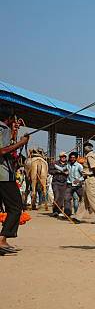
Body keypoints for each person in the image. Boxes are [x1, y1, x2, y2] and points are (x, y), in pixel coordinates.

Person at [0, 105, 29, 254]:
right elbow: (2, 150)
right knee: (16, 207)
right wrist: (22, 143)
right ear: (9, 118)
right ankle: (3, 239)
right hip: (4, 175)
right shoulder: (3, 128)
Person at [73, 142, 95, 224]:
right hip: (91, 179)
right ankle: (78, 217)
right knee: (84, 200)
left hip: (90, 179)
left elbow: (94, 168)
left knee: (93, 199)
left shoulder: (89, 156)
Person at [49, 151, 69, 217]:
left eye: (64, 157)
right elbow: (50, 171)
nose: (63, 158)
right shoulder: (55, 163)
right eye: (62, 156)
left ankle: (59, 211)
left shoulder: (68, 164)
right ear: (60, 157)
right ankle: (55, 210)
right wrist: (57, 171)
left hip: (64, 182)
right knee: (56, 196)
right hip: (56, 182)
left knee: (61, 197)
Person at [65, 151, 83, 215]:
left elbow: (84, 175)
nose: (72, 159)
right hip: (69, 185)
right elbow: (62, 169)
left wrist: (79, 179)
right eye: (71, 157)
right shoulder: (68, 165)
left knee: (78, 199)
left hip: (77, 185)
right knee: (67, 199)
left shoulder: (79, 166)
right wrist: (55, 165)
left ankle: (76, 213)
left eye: (74, 157)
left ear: (76, 158)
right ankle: (68, 213)